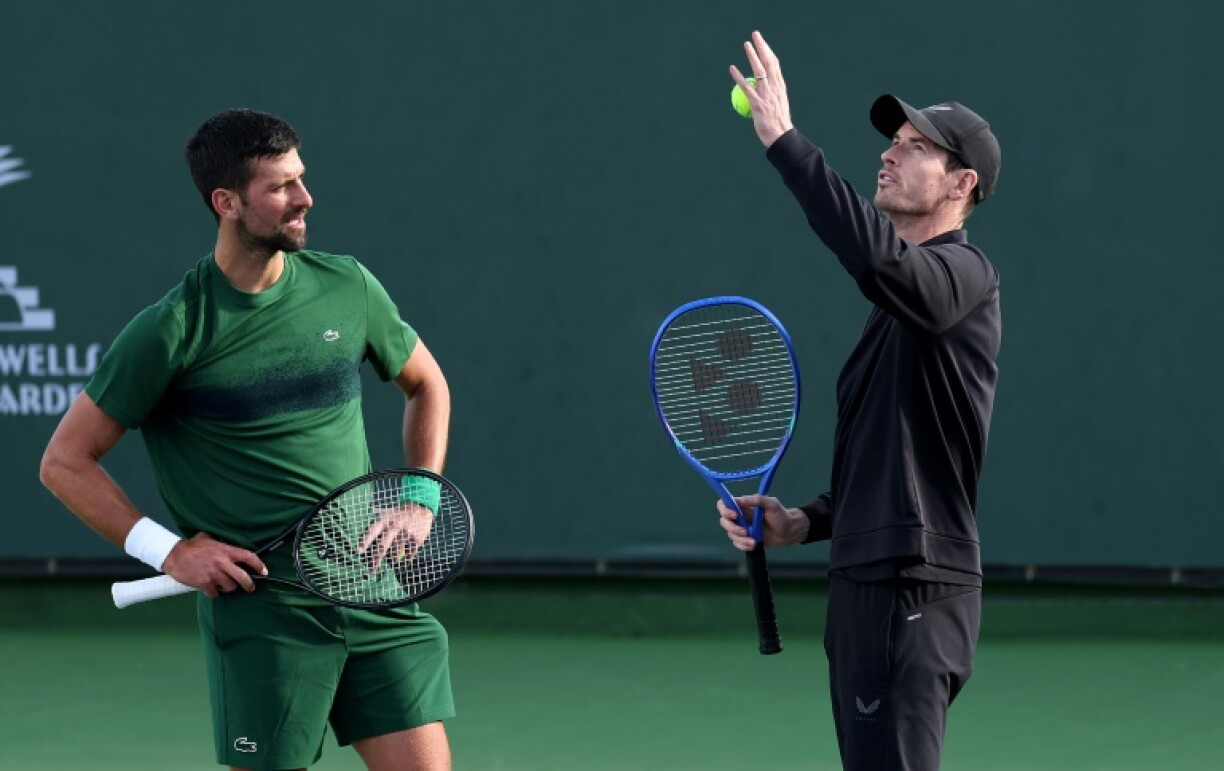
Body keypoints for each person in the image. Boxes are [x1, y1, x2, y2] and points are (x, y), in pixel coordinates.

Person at [39, 108, 454, 771]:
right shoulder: (171, 329)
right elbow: (64, 461)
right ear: (226, 202)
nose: (304, 199)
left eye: (302, 178)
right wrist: (169, 550)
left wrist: (419, 494)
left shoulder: (347, 285)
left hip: (373, 591)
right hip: (266, 618)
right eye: (280, 187)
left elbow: (427, 384)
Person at [719, 32, 1003, 771]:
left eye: (914, 147)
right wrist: (801, 521)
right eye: (894, 141)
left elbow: (877, 259)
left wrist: (785, 140)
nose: (889, 153)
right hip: (864, 583)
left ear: (960, 184)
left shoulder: (962, 277)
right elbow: (887, 468)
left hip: (913, 587)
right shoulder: (895, 310)